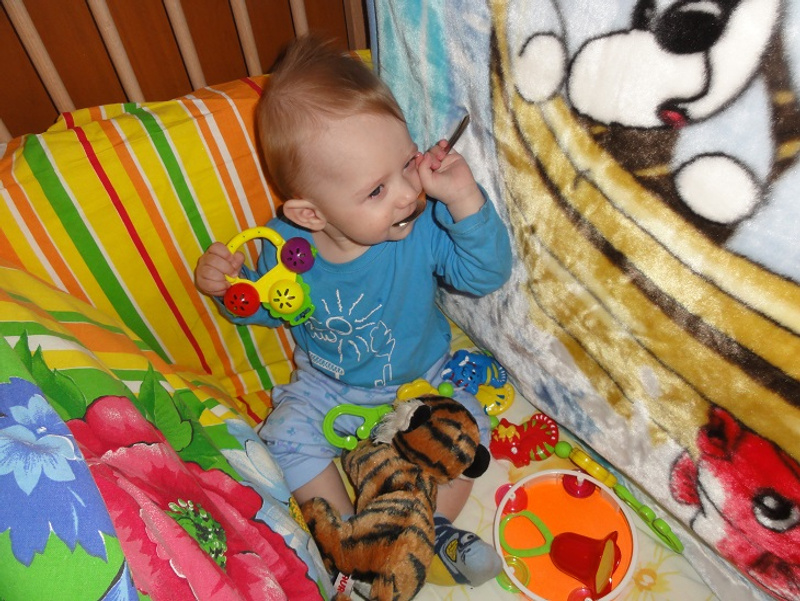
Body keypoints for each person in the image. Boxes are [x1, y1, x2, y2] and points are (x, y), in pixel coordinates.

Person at [195, 36, 512, 587]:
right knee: (283, 435)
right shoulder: (286, 250)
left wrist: (464, 199)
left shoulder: (425, 226)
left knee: (468, 425)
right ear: (310, 215)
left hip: (423, 378)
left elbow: (485, 275)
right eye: (376, 191)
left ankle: (430, 528)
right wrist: (231, 293)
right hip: (328, 385)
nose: (407, 194)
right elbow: (269, 310)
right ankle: (353, 541)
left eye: (407, 164)